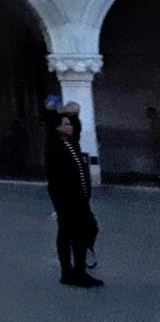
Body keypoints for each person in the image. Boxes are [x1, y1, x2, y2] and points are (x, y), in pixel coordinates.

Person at [46, 112, 102, 288]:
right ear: (55, 128)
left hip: (80, 199)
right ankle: (70, 272)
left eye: (69, 123)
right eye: (64, 123)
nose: (69, 126)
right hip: (67, 200)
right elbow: (55, 178)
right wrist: (61, 203)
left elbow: (77, 127)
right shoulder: (54, 147)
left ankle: (78, 270)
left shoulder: (71, 144)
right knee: (70, 234)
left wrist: (72, 115)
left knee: (85, 230)